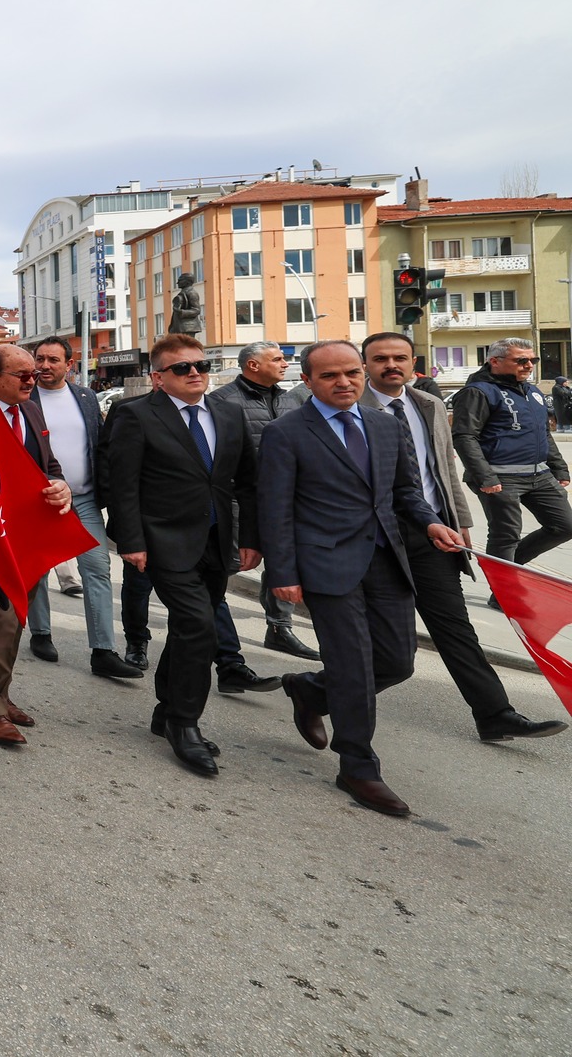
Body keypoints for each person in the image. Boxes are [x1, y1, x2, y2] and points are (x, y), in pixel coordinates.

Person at [265, 341, 465, 816]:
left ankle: (310, 689)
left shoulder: (384, 424)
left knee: (397, 661)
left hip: (386, 558)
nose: (344, 382)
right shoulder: (286, 432)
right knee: (353, 665)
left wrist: (431, 522)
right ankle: (358, 766)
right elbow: (274, 509)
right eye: (330, 375)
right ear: (308, 381)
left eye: (351, 372)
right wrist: (283, 573)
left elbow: (404, 493)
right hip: (325, 564)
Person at [361, 332, 565, 743]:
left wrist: (461, 518)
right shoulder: (350, 407)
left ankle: (495, 714)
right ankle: (315, 690)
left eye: (399, 357)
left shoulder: (429, 405)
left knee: (457, 630)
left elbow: (443, 471)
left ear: (412, 361)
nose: (391, 365)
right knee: (390, 652)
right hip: (375, 541)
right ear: (365, 364)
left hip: (433, 534)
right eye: (380, 358)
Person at [100, 333, 270, 779]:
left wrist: (251, 538)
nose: (195, 373)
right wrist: (131, 541)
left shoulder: (228, 413)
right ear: (158, 377)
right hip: (163, 541)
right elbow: (123, 486)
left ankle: (165, 709)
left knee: (188, 628)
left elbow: (247, 483)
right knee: (200, 625)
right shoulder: (136, 415)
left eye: (200, 365)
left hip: (217, 541)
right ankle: (184, 723)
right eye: (182, 368)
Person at [0, 344, 70, 745]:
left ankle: (1, 695)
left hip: (26, 536)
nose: (33, 379)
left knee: (15, 619)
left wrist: (60, 485)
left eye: (34, 374)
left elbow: (48, 463)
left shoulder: (31, 411)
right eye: (22, 375)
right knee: (1, 617)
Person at [26, 338, 139, 679]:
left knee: (97, 567)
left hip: (86, 499)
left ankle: (103, 650)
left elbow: (99, 443)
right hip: (38, 499)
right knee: (38, 568)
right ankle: (41, 633)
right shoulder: (24, 398)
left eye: (53, 360)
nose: (44, 365)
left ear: (69, 365)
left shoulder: (86, 398)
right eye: (40, 359)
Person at [207, 341, 321, 660]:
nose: (285, 364)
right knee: (226, 566)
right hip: (236, 501)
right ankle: (211, 626)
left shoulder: (290, 401)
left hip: (283, 500)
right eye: (277, 359)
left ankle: (279, 628)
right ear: (253, 365)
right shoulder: (222, 401)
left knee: (283, 562)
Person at [451, 339, 571, 600]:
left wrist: (559, 468)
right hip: (500, 477)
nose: (529, 365)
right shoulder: (478, 392)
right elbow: (464, 436)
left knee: (565, 526)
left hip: (539, 475)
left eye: (532, 360)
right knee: (506, 535)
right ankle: (505, 595)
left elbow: (543, 433)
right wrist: (485, 476)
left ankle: (504, 570)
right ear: (495, 361)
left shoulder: (533, 392)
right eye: (521, 360)